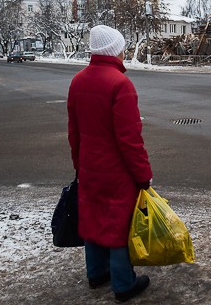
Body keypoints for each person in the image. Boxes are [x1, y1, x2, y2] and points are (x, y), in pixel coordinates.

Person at [67, 25, 153, 302]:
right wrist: (143, 175)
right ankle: (124, 284)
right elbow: (130, 139)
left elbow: (74, 131)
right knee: (118, 225)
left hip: (89, 167)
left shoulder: (78, 80)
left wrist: (79, 164)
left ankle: (96, 273)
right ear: (115, 49)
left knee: (93, 219)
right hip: (117, 172)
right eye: (122, 46)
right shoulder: (120, 83)